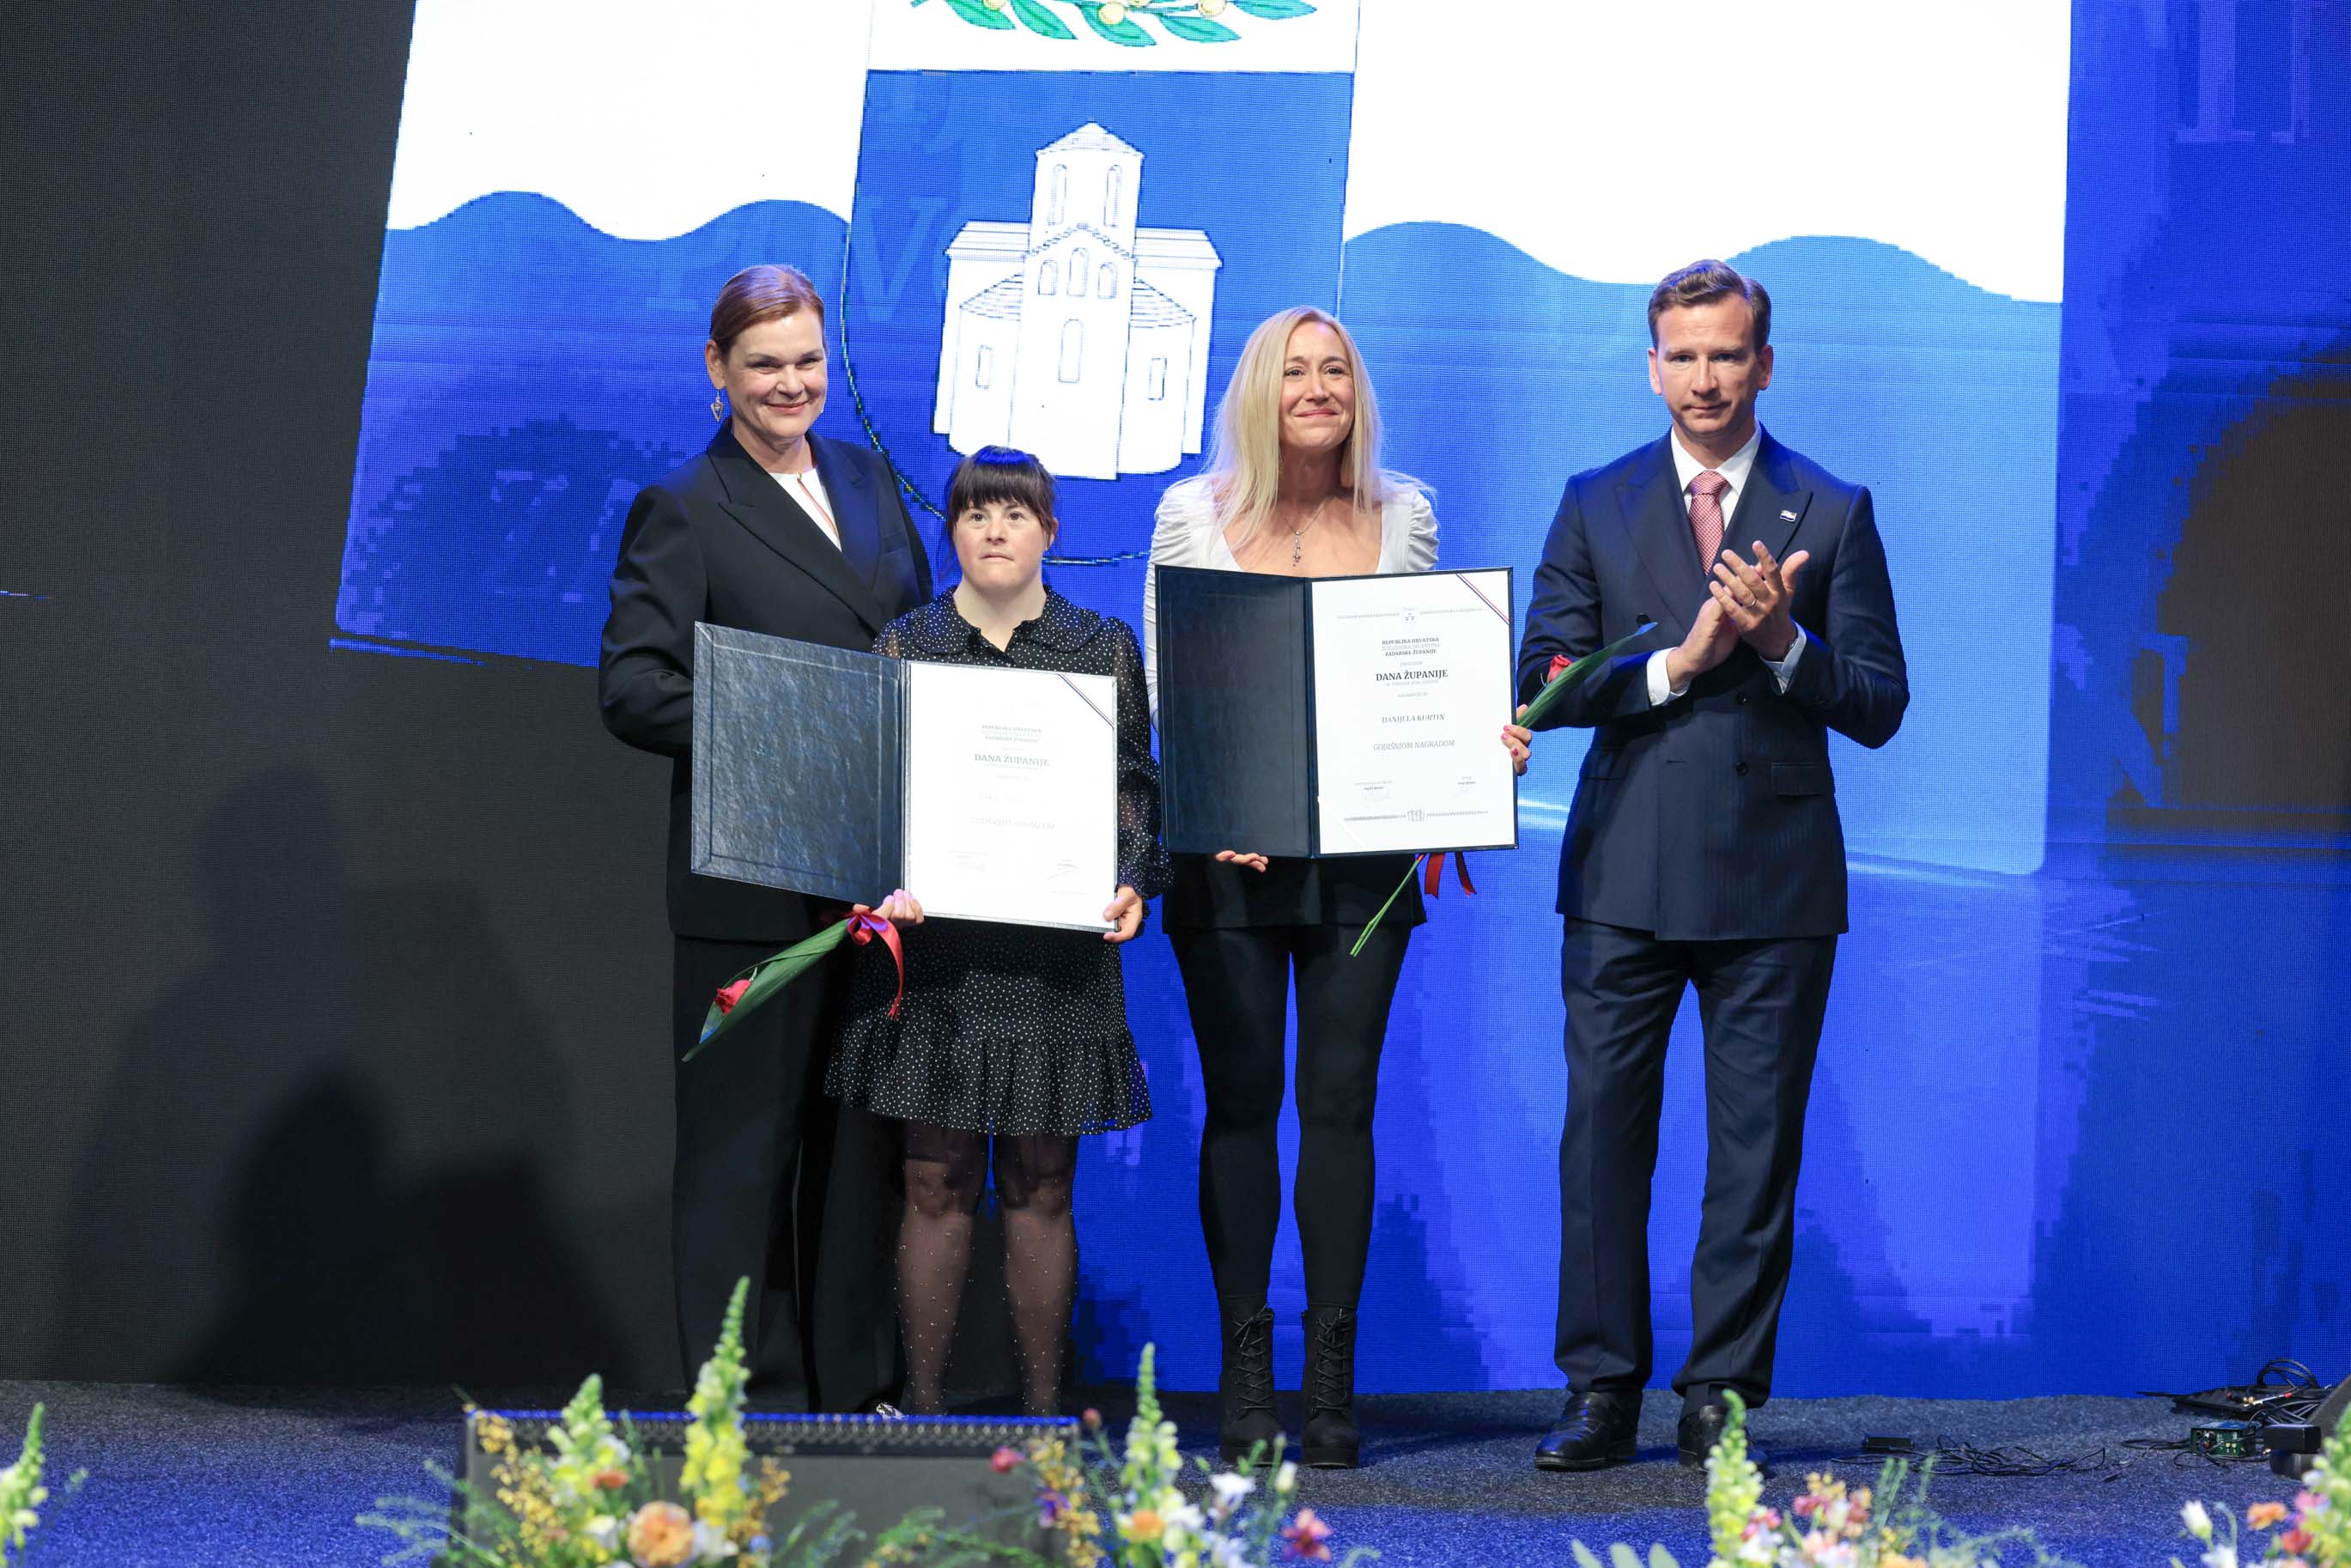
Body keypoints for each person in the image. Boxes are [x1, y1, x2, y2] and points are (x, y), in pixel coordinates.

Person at [1517, 260, 1908, 1473]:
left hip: (1773, 879)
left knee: (1753, 1151)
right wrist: (1678, 662)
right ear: (1651, 367)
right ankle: (1599, 1389)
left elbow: (1880, 703)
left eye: (1725, 354)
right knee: (1600, 1141)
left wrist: (1785, 641)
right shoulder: (1594, 500)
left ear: (1763, 364)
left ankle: (1720, 1396)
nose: (1703, 378)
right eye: (1681, 356)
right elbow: (1543, 679)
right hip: (1623, 870)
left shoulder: (1830, 506)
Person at [1145, 307, 1531, 1468]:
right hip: (1227, 859)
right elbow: (1173, 687)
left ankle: (1327, 1386)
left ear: (1357, 395)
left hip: (1359, 864)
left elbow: (1416, 673)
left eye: (1336, 372)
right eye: (1294, 372)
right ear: (1257, 393)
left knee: (1339, 1105)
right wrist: (1219, 796)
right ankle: (1244, 1376)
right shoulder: (1189, 513)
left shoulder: (1403, 514)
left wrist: (1479, 742)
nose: (1316, 388)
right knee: (1240, 1104)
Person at [599, 264, 933, 1408]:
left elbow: (921, 645)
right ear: (716, 367)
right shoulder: (685, 504)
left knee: (858, 1158)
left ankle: (853, 1396)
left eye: (806, 361)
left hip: (875, 880)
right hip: (749, 888)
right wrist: (789, 721)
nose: (789, 383)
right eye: (763, 364)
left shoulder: (871, 480)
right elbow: (634, 689)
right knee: (740, 1160)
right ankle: (743, 1409)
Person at [824, 445, 1165, 1417]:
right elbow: (874, 789)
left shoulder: (1100, 645)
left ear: (1049, 531)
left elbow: (1132, 785)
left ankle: (1045, 1416)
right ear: (954, 531)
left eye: (1015, 513)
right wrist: (885, 878)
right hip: (938, 956)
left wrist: (1132, 880)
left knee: (1042, 1181)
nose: (995, 530)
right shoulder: (908, 642)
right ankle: (924, 1412)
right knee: (932, 1177)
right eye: (975, 513)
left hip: (1055, 957)